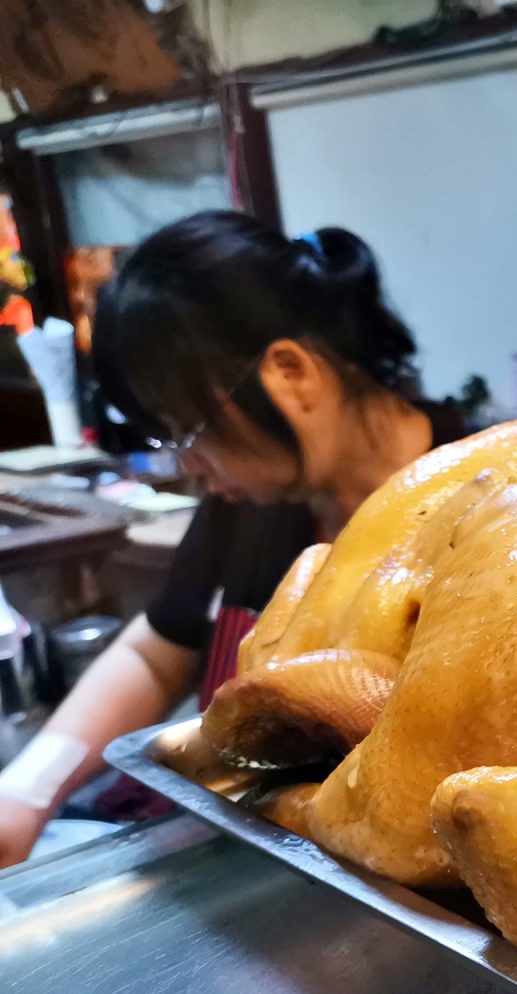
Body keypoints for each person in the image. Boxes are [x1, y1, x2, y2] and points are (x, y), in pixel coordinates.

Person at [0, 210, 464, 867]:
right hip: (242, 855)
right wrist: (26, 788)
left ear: (290, 374)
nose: (190, 465)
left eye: (190, 429)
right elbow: (157, 652)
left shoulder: (484, 498)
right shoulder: (255, 501)